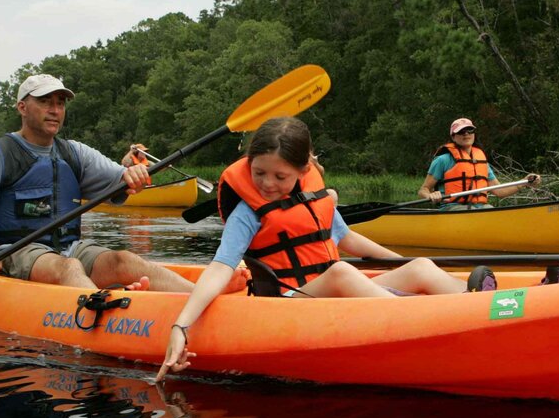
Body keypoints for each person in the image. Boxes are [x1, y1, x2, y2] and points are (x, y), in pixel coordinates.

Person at [156, 116, 491, 380]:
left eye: (280, 176)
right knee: (342, 272)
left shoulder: (312, 197)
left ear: (303, 171)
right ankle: (432, 326)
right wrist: (181, 325)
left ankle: (480, 306)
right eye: (259, 173)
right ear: (248, 164)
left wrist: (400, 262)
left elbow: (348, 240)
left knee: (418, 267)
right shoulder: (247, 212)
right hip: (285, 302)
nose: (268, 184)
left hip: (328, 290)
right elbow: (221, 267)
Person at [0, 74, 193, 293]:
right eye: (45, 102)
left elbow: (123, 179)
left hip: (69, 247)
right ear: (22, 108)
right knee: (69, 267)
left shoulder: (75, 153)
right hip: (14, 251)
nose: (55, 110)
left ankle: (201, 299)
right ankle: (103, 311)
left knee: (125, 260)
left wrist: (134, 175)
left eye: (60, 103)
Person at [417, 117, 540, 209]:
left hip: (480, 207)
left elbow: (500, 191)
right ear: (453, 137)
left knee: (490, 209)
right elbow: (423, 190)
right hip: (453, 207)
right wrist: (431, 195)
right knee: (467, 211)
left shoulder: (481, 161)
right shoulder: (443, 160)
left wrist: (524, 182)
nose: (466, 134)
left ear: (474, 134)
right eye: (461, 132)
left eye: (469, 130)